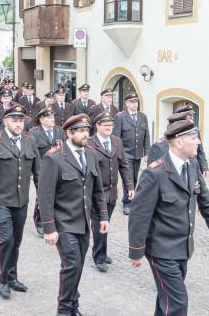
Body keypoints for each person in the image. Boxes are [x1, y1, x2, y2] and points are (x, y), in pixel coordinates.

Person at [128, 119, 209, 316]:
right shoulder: (155, 172)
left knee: (167, 300)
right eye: (194, 138)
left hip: (182, 247)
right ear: (178, 142)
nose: (198, 142)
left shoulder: (193, 164)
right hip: (161, 250)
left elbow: (204, 196)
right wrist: (136, 251)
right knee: (178, 303)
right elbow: (139, 215)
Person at [38, 114, 109, 316]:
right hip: (63, 223)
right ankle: (64, 309)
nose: (86, 134)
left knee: (76, 266)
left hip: (84, 223)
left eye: (87, 130)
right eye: (81, 131)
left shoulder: (91, 154)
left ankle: (72, 306)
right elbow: (45, 197)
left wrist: (103, 216)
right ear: (69, 133)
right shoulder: (54, 158)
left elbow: (97, 190)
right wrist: (49, 228)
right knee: (72, 264)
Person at [0, 104, 40, 299]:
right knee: (6, 239)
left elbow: (39, 172)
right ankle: (3, 281)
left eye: (21, 120)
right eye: (14, 120)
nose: (19, 124)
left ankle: (12, 276)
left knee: (16, 241)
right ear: (6, 121)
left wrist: (45, 198)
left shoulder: (30, 140)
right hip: (0, 200)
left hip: (21, 201)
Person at [87, 111, 133, 272]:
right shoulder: (89, 143)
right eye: (105, 125)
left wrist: (130, 186)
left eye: (111, 125)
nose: (109, 127)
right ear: (97, 126)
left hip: (112, 192)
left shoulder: (116, 142)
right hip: (95, 193)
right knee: (100, 222)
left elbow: (124, 165)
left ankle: (102, 252)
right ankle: (99, 257)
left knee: (105, 222)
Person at [29, 106, 65, 237]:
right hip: (41, 171)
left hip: (59, 170)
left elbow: (64, 150)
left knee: (57, 195)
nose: (52, 119)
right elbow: (32, 153)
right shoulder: (34, 133)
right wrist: (32, 173)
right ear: (41, 119)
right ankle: (39, 222)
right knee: (42, 196)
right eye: (49, 117)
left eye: (53, 116)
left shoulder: (60, 131)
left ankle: (54, 221)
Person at [113, 92, 150, 215]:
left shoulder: (143, 116)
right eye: (132, 102)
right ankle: (127, 202)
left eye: (136, 101)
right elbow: (116, 137)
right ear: (127, 103)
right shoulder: (120, 117)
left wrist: (147, 151)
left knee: (134, 177)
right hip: (125, 154)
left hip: (137, 153)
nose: (134, 104)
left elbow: (146, 135)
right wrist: (118, 153)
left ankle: (132, 199)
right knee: (127, 178)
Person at [148, 107, 209, 176]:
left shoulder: (193, 162)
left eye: (192, 118)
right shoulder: (160, 147)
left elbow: (200, 150)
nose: (192, 121)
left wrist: (204, 166)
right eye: (189, 118)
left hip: (191, 168)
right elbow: (153, 175)